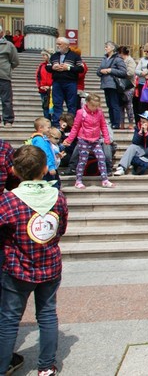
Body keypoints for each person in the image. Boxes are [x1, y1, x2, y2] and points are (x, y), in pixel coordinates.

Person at [0, 144, 68, 376]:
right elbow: (61, 229)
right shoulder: (58, 197)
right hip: (49, 264)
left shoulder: (8, 201)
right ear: (44, 169)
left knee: (9, 319)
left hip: (17, 267)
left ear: (15, 171)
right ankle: (46, 366)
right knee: (47, 314)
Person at [62, 93, 115, 189]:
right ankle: (78, 181)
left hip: (95, 140)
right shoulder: (80, 112)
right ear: (87, 103)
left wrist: (106, 138)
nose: (94, 108)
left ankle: (105, 180)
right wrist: (69, 139)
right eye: (92, 106)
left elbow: (103, 125)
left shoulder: (99, 112)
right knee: (83, 160)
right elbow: (75, 127)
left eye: (96, 106)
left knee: (102, 158)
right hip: (84, 139)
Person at [113, 111, 148, 176]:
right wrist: (140, 132)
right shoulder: (137, 127)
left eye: (144, 122)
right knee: (132, 147)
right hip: (140, 148)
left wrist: (147, 133)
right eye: (141, 121)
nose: (142, 123)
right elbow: (135, 141)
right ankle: (121, 168)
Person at [96, 41, 128, 129]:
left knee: (114, 104)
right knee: (109, 104)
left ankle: (116, 123)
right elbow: (98, 70)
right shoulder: (104, 58)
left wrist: (111, 70)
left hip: (113, 84)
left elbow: (123, 72)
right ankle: (112, 121)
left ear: (113, 48)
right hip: (105, 84)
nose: (105, 48)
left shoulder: (118, 59)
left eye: (107, 47)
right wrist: (100, 71)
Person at [29, 118, 60, 189]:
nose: (50, 129)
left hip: (46, 167)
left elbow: (49, 149)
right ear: (40, 128)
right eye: (48, 127)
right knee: (53, 186)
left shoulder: (43, 138)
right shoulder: (39, 140)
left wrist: (56, 153)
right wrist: (51, 167)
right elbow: (44, 154)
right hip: (46, 168)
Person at [0, 31, 19, 127]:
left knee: (6, 100)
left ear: (1, 33)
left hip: (3, 76)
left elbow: (15, 61)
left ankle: (8, 120)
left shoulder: (8, 45)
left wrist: (7, 69)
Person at [117, 45, 137, 129]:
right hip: (120, 86)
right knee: (120, 105)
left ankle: (131, 123)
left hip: (128, 86)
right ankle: (121, 123)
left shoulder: (130, 61)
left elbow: (131, 72)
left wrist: (120, 73)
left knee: (128, 105)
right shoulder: (119, 60)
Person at [36, 49, 54, 120]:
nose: (43, 57)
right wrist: (40, 86)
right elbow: (38, 76)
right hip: (43, 90)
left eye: (44, 55)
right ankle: (47, 121)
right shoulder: (42, 65)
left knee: (53, 107)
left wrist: (50, 86)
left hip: (53, 89)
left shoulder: (54, 65)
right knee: (45, 106)